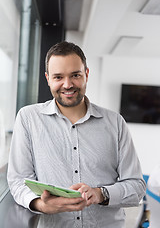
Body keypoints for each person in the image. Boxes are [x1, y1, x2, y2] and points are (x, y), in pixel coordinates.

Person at [7, 41, 146, 228]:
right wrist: (42, 205)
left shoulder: (115, 123)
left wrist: (100, 194)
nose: (67, 84)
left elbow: (136, 187)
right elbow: (17, 181)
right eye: (58, 77)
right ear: (48, 79)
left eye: (75, 75)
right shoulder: (28, 118)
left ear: (86, 75)